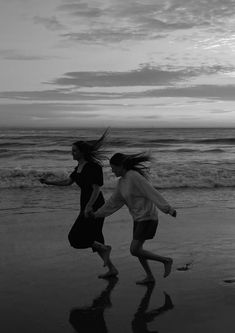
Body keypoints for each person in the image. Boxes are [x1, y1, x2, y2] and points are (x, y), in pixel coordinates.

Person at [40, 130, 118, 279]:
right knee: (94, 237)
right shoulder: (78, 169)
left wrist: (89, 206)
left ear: (82, 152)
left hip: (95, 203)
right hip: (86, 204)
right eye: (72, 151)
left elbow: (96, 189)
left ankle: (105, 250)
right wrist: (49, 182)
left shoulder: (94, 167)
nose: (72, 154)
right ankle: (111, 268)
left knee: (75, 237)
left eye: (74, 151)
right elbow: (67, 182)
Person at [89, 152, 177, 285]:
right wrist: (97, 214)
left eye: (113, 167)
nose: (112, 170)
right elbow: (113, 202)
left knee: (134, 250)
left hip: (147, 217)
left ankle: (166, 260)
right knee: (139, 249)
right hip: (138, 218)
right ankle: (149, 276)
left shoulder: (134, 176)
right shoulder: (122, 182)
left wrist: (167, 208)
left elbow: (151, 191)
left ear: (122, 166)